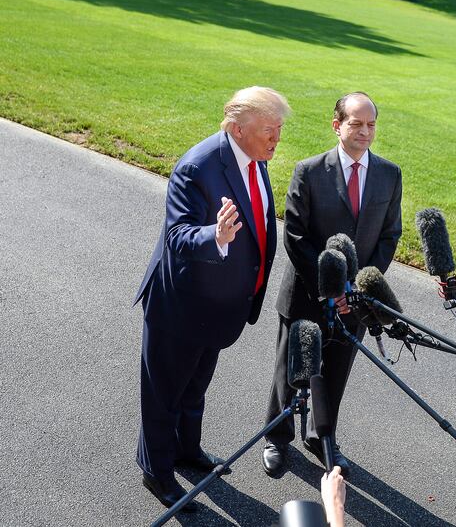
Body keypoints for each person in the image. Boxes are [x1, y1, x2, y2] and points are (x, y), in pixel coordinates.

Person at [134, 86, 289, 510]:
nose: (276, 138)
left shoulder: (255, 159)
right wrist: (215, 235)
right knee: (163, 393)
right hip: (180, 305)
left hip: (219, 304)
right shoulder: (197, 166)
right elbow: (177, 236)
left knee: (195, 385)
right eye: (269, 130)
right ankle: (157, 471)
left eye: (278, 129)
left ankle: (188, 450)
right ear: (238, 129)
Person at [262, 91, 402, 478]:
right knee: (290, 370)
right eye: (356, 123)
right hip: (307, 293)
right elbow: (295, 235)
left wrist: (355, 288)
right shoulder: (309, 171)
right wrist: (329, 286)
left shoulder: (390, 174)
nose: (365, 131)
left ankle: (320, 437)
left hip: (354, 300)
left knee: (336, 372)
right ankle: (277, 436)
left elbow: (389, 236)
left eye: (371, 124)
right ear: (337, 125)